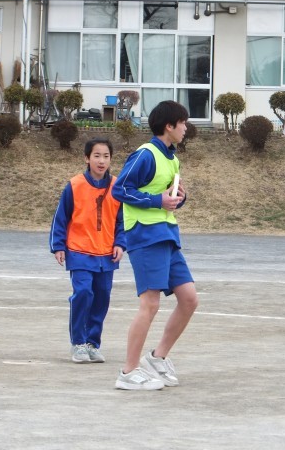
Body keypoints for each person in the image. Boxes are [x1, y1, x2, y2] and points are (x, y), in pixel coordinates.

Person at [112, 100, 198, 391]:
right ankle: (128, 371)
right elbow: (120, 189)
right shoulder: (145, 154)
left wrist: (177, 198)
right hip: (145, 235)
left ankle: (157, 358)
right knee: (150, 304)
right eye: (182, 122)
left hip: (166, 234)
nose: (186, 128)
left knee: (189, 299)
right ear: (169, 126)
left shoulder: (172, 159)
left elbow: (165, 199)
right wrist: (157, 200)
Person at [50, 137, 126, 364]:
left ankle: (93, 343)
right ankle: (78, 343)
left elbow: (123, 221)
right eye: (96, 156)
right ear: (87, 158)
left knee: (102, 297)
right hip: (79, 251)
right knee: (83, 293)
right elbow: (61, 217)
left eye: (106, 156)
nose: (101, 161)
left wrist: (120, 243)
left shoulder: (117, 186)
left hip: (106, 255)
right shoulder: (74, 185)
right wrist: (58, 246)